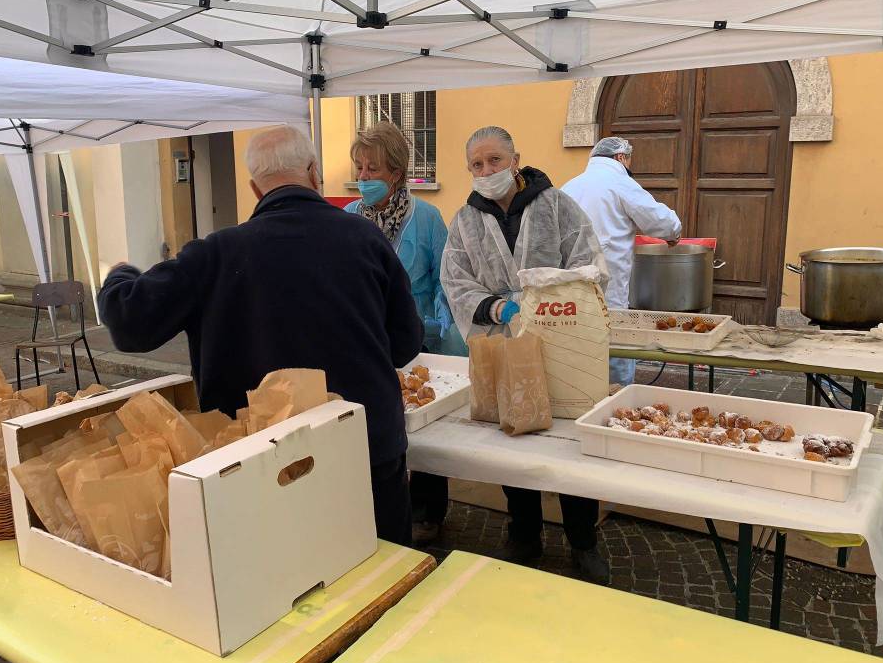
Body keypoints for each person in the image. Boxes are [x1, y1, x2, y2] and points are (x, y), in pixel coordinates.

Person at [97, 126, 424, 545]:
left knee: (287, 578)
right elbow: (405, 344)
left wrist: (119, 274)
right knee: (388, 570)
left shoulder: (216, 253)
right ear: (314, 173)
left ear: (255, 189)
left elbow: (128, 322)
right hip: (364, 450)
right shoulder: (366, 238)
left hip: (263, 465)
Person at [441, 125, 612, 584]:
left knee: (570, 440)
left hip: (563, 340)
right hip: (504, 342)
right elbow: (454, 278)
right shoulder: (465, 220)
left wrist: (545, 298)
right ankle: (524, 533)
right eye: (476, 164)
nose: (486, 171)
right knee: (514, 433)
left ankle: (583, 541)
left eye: (495, 160)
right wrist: (495, 306)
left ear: (516, 160)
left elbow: (590, 265)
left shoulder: (557, 206)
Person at [345, 122, 465, 547]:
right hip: (367, 343)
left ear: (396, 172)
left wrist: (440, 324)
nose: (363, 177)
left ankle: (428, 511)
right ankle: (372, 505)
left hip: (419, 341)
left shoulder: (427, 219)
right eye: (359, 168)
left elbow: (446, 279)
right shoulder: (348, 218)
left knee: (425, 428)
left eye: (373, 169)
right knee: (376, 426)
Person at [562, 136, 681, 387]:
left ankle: (582, 395)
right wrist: (673, 233)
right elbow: (659, 220)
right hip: (608, 283)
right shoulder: (620, 182)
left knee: (578, 343)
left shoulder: (569, 186)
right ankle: (616, 399)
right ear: (620, 157)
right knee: (614, 342)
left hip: (569, 284)